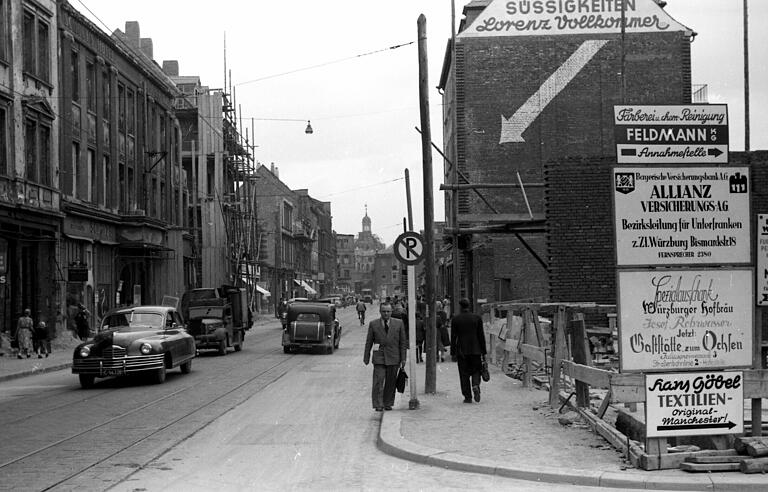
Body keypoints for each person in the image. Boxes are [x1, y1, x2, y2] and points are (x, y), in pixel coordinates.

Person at [363, 301, 407, 411]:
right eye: (383, 311)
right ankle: (378, 404)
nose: (386, 314)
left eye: (388, 311)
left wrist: (403, 358)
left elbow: (403, 342)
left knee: (391, 382)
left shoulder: (399, 323)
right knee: (378, 381)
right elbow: (369, 341)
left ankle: (388, 403)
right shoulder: (373, 324)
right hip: (379, 357)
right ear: (380, 312)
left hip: (394, 357)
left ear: (391, 311)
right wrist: (366, 356)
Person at [450, 298, 487, 403]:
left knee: (464, 374)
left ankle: (467, 397)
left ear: (460, 307)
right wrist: (484, 352)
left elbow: (453, 337)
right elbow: (481, 336)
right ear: (469, 306)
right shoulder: (477, 318)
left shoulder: (456, 319)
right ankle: (475, 384)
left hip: (462, 351)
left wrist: (453, 352)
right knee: (476, 370)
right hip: (476, 350)